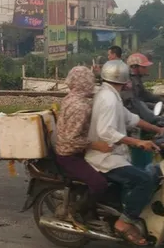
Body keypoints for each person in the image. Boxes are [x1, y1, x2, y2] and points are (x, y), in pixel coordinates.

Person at [85, 60, 164, 246]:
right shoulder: (109, 99)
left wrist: (157, 129)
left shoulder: (108, 94)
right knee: (144, 180)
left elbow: (131, 119)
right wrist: (137, 141)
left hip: (114, 153)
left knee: (150, 173)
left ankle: (128, 210)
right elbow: (106, 132)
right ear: (124, 79)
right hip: (104, 157)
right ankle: (125, 221)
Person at [55, 66, 111, 229]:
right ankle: (77, 211)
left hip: (72, 149)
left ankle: (93, 210)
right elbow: (72, 139)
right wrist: (96, 145)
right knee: (100, 183)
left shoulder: (73, 97)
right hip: (69, 154)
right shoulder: (80, 106)